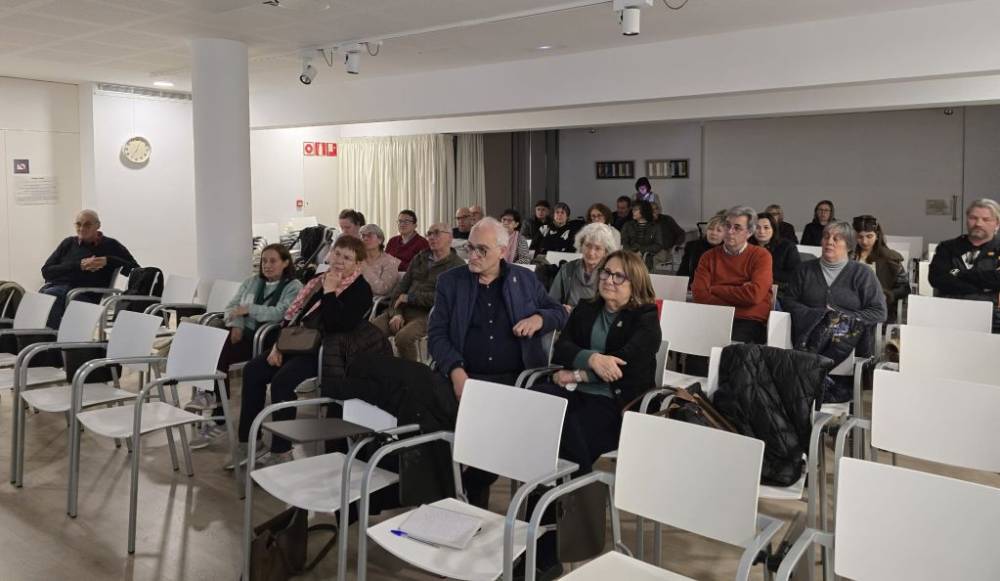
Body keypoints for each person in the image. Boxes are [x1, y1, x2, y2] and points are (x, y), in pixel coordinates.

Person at [427, 217, 568, 507]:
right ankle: (455, 497)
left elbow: (559, 312)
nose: (473, 256)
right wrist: (456, 371)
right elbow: (437, 335)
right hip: (466, 376)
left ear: (503, 251)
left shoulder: (524, 280)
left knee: (498, 435)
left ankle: (463, 495)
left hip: (514, 379)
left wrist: (539, 318)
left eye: (482, 250)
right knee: (431, 420)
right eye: (470, 248)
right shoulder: (450, 282)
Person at [234, 236, 372, 467]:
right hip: (298, 341)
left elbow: (337, 326)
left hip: (325, 351)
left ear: (357, 264)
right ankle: (249, 440)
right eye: (337, 254)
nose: (339, 261)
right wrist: (278, 345)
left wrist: (330, 293)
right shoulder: (317, 281)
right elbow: (294, 315)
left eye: (347, 258)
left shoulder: (360, 290)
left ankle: (281, 450)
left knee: (282, 381)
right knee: (253, 370)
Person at [534, 249, 660, 475]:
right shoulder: (586, 308)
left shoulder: (646, 317)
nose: (608, 280)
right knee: (534, 400)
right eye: (606, 272)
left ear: (635, 283)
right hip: (574, 392)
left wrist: (577, 374)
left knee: (564, 425)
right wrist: (592, 358)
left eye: (619, 276)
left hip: (615, 400)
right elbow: (562, 348)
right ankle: (554, 487)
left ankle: (570, 486)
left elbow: (626, 365)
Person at [188, 243, 302, 448]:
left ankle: (216, 407)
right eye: (264, 261)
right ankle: (213, 403)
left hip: (267, 340)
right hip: (243, 336)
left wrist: (249, 309)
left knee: (218, 345)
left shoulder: (293, 286)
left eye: (273, 261)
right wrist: (237, 324)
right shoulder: (252, 282)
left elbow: (280, 314)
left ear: (286, 263)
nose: (267, 265)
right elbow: (231, 307)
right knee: (213, 340)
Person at [782, 221, 887, 399]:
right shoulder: (804, 270)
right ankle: (813, 382)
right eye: (826, 237)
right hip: (808, 336)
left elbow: (879, 311)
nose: (829, 242)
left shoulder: (862, 273)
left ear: (849, 246)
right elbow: (788, 301)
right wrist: (819, 316)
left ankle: (816, 382)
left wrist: (841, 317)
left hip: (847, 342)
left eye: (836, 239)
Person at [372, 222, 465, 362]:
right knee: (371, 331)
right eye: (429, 234)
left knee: (403, 338)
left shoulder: (457, 266)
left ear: (450, 238)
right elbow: (401, 288)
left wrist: (411, 298)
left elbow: (446, 299)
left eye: (437, 233)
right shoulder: (420, 258)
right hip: (402, 309)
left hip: (428, 315)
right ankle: (384, 368)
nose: (431, 237)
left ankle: (412, 374)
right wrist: (396, 313)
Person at [40, 209, 139, 328]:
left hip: (86, 294)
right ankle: (48, 334)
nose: (82, 228)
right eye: (78, 224)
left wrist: (109, 260)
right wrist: (79, 265)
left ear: (98, 225)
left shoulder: (111, 245)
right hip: (58, 288)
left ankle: (55, 335)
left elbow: (135, 270)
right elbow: (46, 271)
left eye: (87, 225)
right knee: (43, 295)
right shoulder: (68, 243)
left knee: (52, 296)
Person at [692, 206, 773, 344]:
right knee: (693, 345)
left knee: (730, 352)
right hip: (714, 315)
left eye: (737, 228)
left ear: (749, 232)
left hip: (748, 320)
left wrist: (715, 289)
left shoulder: (761, 256)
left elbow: (754, 295)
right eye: (727, 226)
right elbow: (699, 294)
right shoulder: (708, 256)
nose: (730, 231)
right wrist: (741, 294)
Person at [929, 198, 1000, 332]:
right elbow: (937, 278)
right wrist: (983, 289)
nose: (978, 223)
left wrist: (959, 273)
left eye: (986, 219)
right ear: (967, 220)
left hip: (993, 316)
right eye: (973, 218)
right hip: (949, 312)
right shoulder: (948, 247)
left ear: (997, 224)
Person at [549, 223, 621, 310]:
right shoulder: (567, 269)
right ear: (581, 245)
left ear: (606, 252)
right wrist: (561, 310)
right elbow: (552, 302)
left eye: (598, 248)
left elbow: (612, 310)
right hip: (566, 317)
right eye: (588, 246)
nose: (591, 253)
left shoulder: (611, 275)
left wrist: (574, 311)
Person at [852, 215, 908, 323]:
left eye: (869, 236)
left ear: (877, 235)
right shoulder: (848, 257)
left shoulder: (891, 258)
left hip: (878, 309)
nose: (864, 241)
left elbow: (904, 288)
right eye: (860, 237)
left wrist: (888, 295)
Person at [751, 212, 801, 290]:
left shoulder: (787, 247)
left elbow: (795, 274)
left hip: (778, 288)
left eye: (766, 227)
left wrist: (766, 272)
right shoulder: (747, 246)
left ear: (773, 229)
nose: (761, 231)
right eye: (757, 227)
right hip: (749, 286)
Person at [677, 212, 725, 279]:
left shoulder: (730, 251)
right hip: (694, 284)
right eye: (711, 229)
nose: (713, 233)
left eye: (719, 230)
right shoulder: (692, 246)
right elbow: (682, 273)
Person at [359, 223, 401, 297]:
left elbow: (382, 289)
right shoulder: (357, 258)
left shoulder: (390, 262)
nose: (365, 239)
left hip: (375, 301)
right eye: (363, 236)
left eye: (369, 236)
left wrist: (364, 267)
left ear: (380, 240)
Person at [620, 200, 663, 270]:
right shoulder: (627, 225)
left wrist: (642, 251)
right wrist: (631, 253)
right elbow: (623, 242)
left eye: (635, 210)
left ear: (644, 211)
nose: (633, 212)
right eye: (632, 209)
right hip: (628, 257)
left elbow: (658, 245)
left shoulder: (655, 227)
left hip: (646, 258)